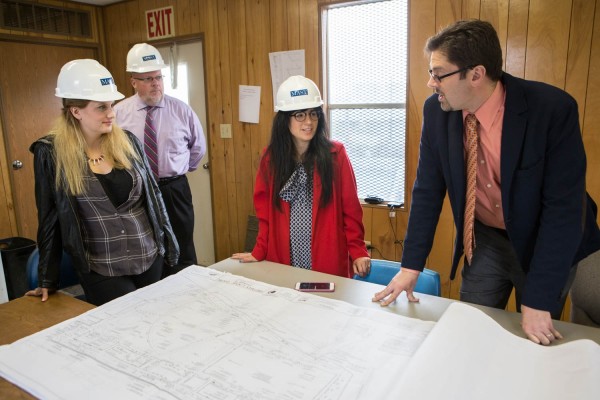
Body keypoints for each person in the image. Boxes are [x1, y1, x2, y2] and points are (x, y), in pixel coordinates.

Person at [373, 19, 600, 345]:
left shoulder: (551, 110)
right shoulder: (437, 112)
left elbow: (563, 211)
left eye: (438, 73)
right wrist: (411, 267)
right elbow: (427, 191)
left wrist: (538, 298)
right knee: (472, 327)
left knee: (532, 334)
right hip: (486, 239)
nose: (430, 82)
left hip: (543, 242)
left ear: (476, 74)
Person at [26, 59, 179, 306]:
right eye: (101, 108)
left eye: (111, 105)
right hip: (100, 267)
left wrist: (169, 246)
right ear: (75, 111)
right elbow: (50, 216)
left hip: (148, 256)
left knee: (156, 321)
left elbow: (154, 197)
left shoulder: (128, 141)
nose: (111, 114)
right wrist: (47, 278)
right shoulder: (51, 153)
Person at [231, 76, 370, 278]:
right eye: (299, 115)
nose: (308, 122)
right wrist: (259, 249)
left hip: (326, 255)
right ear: (285, 119)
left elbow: (351, 210)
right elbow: (265, 214)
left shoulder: (336, 154)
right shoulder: (271, 159)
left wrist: (358, 252)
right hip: (284, 256)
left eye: (313, 114)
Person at [114, 43, 206, 275]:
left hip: (174, 188)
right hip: (138, 191)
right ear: (133, 81)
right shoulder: (118, 114)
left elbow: (197, 149)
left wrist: (177, 170)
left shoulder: (181, 110)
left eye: (158, 77)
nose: (155, 83)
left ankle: (190, 290)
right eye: (147, 79)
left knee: (183, 244)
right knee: (148, 248)